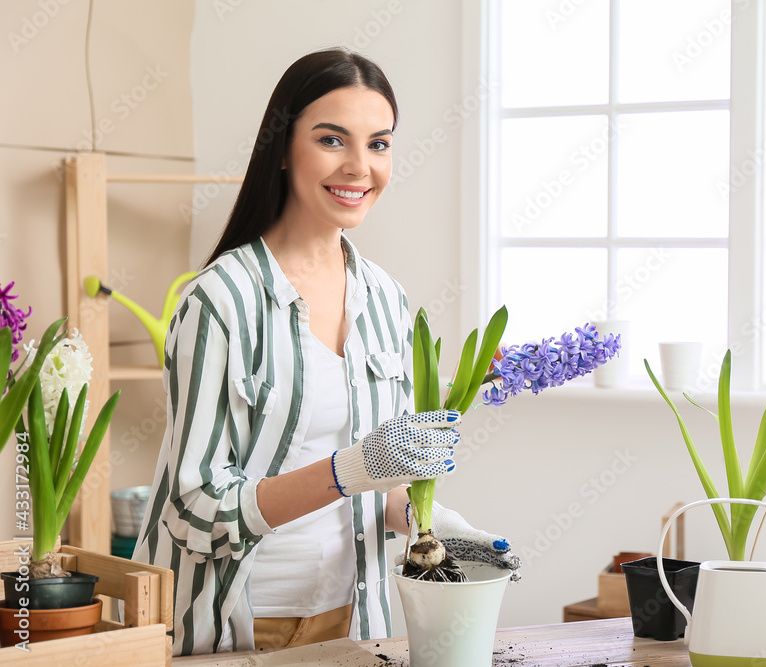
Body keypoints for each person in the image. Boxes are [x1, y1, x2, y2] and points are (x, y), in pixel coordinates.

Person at [132, 48, 519, 657]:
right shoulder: (221, 301)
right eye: (332, 139)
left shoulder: (386, 299)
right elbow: (194, 508)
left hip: (355, 619)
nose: (360, 167)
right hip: (238, 619)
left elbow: (377, 477)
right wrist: (345, 472)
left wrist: (438, 526)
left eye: (380, 143)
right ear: (283, 149)